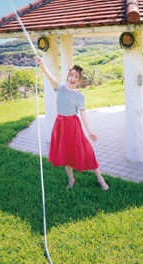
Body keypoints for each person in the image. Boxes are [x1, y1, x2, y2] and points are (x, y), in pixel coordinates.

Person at [35, 56, 109, 190]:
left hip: (73, 126)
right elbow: (50, 77)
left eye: (76, 77)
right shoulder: (61, 88)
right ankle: (71, 179)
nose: (73, 78)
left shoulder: (79, 96)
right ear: (68, 76)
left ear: (79, 80)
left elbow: (83, 114)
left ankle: (100, 178)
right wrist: (41, 64)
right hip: (60, 125)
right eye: (71, 75)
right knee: (65, 153)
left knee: (87, 151)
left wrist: (90, 131)